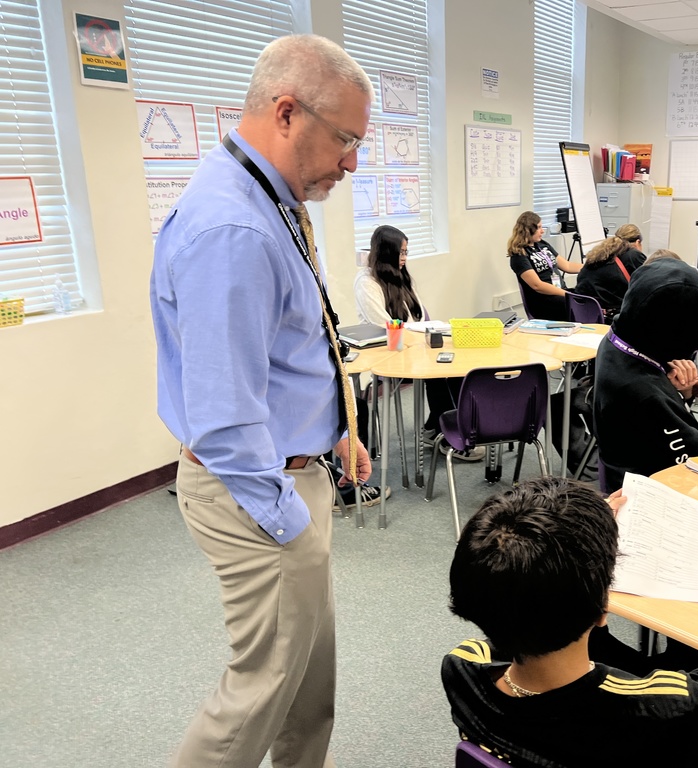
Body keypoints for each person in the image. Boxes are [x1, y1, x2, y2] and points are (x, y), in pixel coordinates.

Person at [150, 35, 377, 767]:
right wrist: (291, 524)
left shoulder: (268, 196)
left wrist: (334, 430)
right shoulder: (235, 228)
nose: (352, 161)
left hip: (292, 471)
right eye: (345, 139)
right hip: (255, 489)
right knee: (256, 698)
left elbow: (292, 344)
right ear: (286, 112)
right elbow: (223, 417)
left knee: (309, 690)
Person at [442, 477, 698, 767]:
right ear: (603, 608)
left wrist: (589, 534)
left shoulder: (460, 667)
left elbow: (518, 602)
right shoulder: (661, 707)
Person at [593, 258, 698, 492]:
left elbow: (651, 429)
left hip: (629, 470)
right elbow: (697, 469)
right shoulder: (645, 393)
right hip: (656, 497)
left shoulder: (617, 339)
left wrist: (678, 395)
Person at [354, 224, 481, 459]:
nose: (404, 258)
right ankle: (446, 436)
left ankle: (439, 429)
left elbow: (420, 314)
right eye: (401, 253)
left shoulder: (400, 276)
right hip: (390, 352)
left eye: (406, 252)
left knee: (457, 367)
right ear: (386, 252)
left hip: (416, 346)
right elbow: (383, 326)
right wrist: (418, 334)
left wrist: (429, 331)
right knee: (439, 370)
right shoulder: (366, 282)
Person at [507, 211, 581, 321]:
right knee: (578, 305)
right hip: (544, 300)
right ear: (528, 230)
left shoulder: (542, 245)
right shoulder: (519, 255)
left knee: (588, 294)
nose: (542, 231)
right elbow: (538, 285)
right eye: (539, 228)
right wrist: (567, 295)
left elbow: (567, 266)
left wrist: (591, 266)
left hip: (561, 293)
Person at [573, 235, 645, 318]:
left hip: (581, 314)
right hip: (610, 317)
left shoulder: (592, 261)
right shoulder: (633, 255)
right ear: (638, 242)